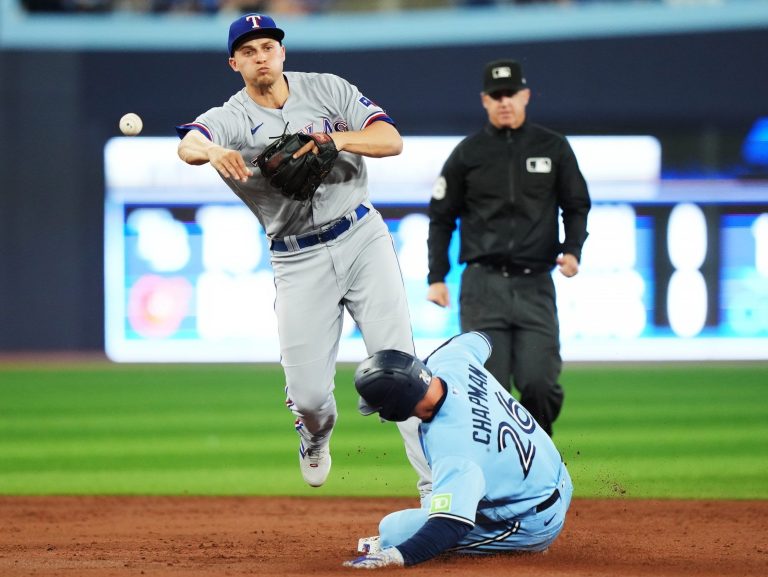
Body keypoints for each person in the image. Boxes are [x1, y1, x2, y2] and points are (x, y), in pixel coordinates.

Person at [175, 13, 430, 497]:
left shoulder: (328, 90)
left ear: (282, 52)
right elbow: (190, 142)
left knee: (401, 369)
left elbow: (390, 139)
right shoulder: (231, 116)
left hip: (361, 237)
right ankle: (314, 435)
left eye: (267, 47)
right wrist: (209, 153)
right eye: (248, 52)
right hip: (296, 259)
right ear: (235, 63)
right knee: (311, 397)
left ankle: (435, 489)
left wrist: (335, 140)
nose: (260, 57)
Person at [426, 59, 591, 436]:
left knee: (540, 384)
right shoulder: (468, 153)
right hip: (483, 287)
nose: (504, 102)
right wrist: (437, 276)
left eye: (511, 94)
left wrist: (573, 249)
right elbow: (441, 217)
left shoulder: (554, 147)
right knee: (489, 389)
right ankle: (501, 479)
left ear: (525, 95)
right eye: (496, 95)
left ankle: (540, 463)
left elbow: (576, 205)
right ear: (485, 100)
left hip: (535, 285)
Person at [344, 331, 573, 569]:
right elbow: (480, 338)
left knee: (395, 530)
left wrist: (395, 556)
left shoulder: (453, 447)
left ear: (396, 408)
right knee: (446, 496)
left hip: (533, 521)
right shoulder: (452, 359)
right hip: (557, 480)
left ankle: (526, 544)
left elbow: (450, 525)